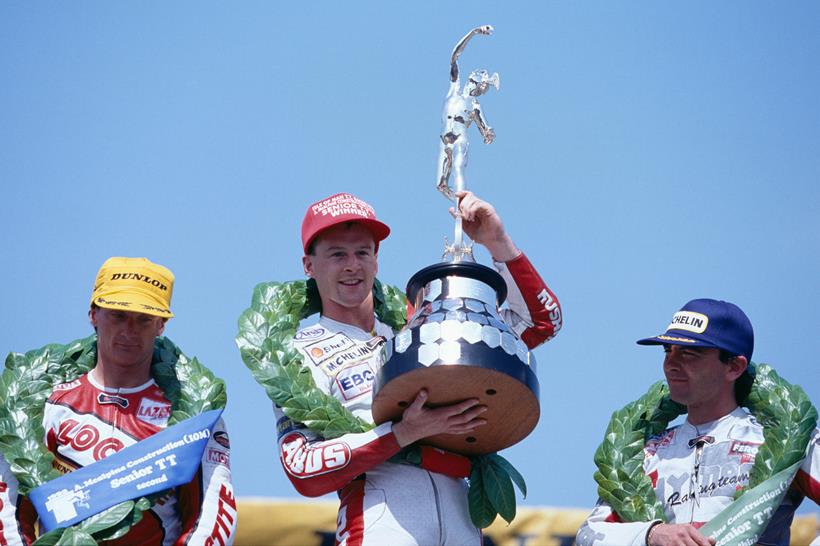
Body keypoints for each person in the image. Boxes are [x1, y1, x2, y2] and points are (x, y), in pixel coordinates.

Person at [274, 191, 562, 545]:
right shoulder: (299, 354)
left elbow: (540, 324)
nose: (352, 265)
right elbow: (301, 469)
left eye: (362, 252)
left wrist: (497, 241)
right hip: (380, 517)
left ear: (376, 260)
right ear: (309, 266)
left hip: (463, 518)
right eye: (337, 254)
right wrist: (401, 434)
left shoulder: (420, 328)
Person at [0, 257, 237, 546]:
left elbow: (212, 517)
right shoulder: (41, 405)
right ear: (93, 314)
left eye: (144, 318)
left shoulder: (194, 417)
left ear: (161, 325)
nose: (129, 330)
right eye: (117, 314)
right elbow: (8, 513)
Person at [576, 298, 820, 546]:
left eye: (689, 353)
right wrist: (651, 534)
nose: (671, 364)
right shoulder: (645, 453)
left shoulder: (787, 439)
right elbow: (589, 535)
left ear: (734, 367)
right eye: (667, 351)